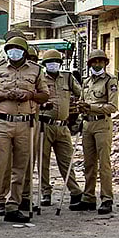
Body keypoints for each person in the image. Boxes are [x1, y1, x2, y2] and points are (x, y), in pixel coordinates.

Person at [0, 37, 48, 227]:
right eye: (11, 48)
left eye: (18, 49)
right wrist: (5, 95)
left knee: (21, 168)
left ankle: (13, 206)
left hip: (25, 124)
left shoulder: (36, 70)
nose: (14, 52)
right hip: (3, 123)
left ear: (25, 51)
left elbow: (44, 95)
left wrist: (31, 95)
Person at [71, 49, 119, 214]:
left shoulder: (110, 81)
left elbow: (112, 107)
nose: (97, 64)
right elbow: (82, 102)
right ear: (89, 63)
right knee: (88, 164)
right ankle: (88, 197)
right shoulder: (86, 82)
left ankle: (106, 199)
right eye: (94, 61)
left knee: (104, 163)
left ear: (105, 63)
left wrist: (91, 107)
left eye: (100, 61)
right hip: (87, 125)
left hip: (102, 125)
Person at [37, 49, 82, 207]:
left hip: (63, 126)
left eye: (56, 62)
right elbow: (34, 99)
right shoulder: (39, 78)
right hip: (44, 125)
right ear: (45, 64)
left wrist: (78, 106)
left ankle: (75, 191)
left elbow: (81, 93)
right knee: (43, 161)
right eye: (50, 62)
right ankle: (45, 192)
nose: (53, 64)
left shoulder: (68, 78)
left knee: (66, 160)